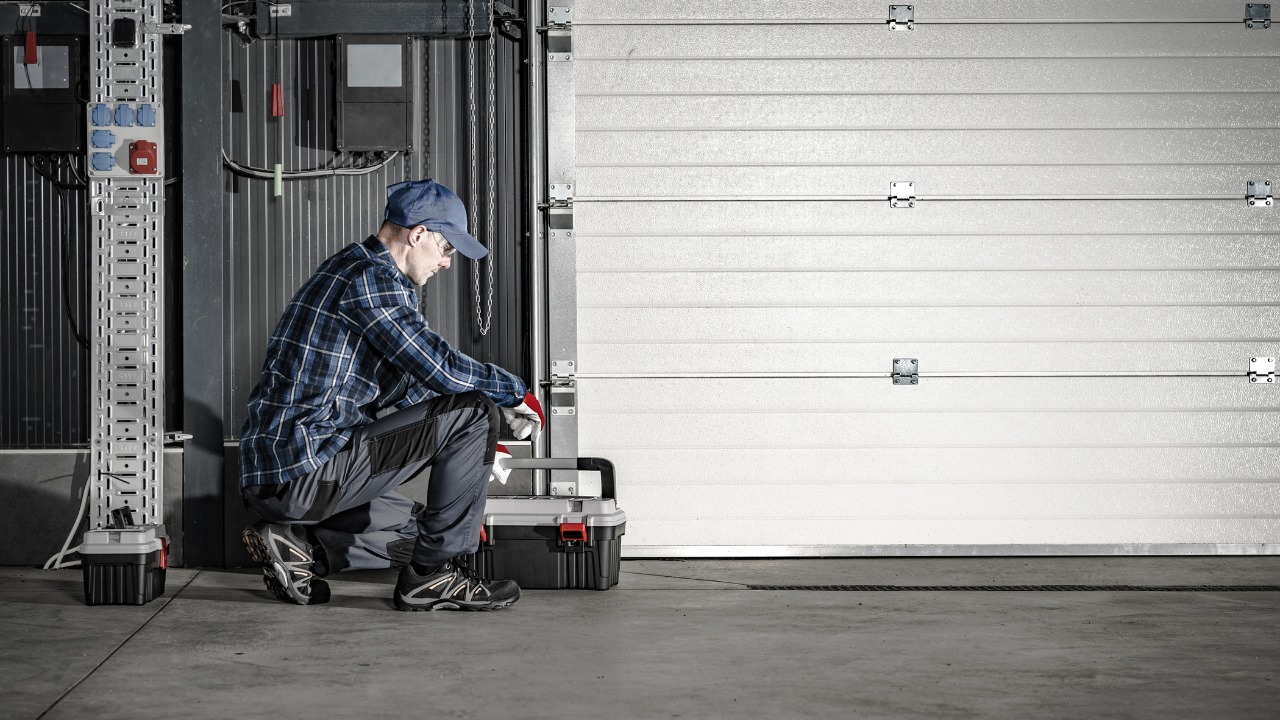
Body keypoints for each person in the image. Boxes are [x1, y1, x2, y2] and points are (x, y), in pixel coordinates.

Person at [237, 178, 543, 611]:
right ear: (418, 234)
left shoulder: (354, 270)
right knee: (475, 412)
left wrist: (476, 449)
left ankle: (302, 548)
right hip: (303, 470)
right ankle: (431, 578)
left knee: (419, 528)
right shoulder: (370, 278)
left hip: (290, 474)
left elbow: (406, 385)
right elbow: (439, 367)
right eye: (446, 248)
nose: (447, 263)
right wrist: (512, 394)